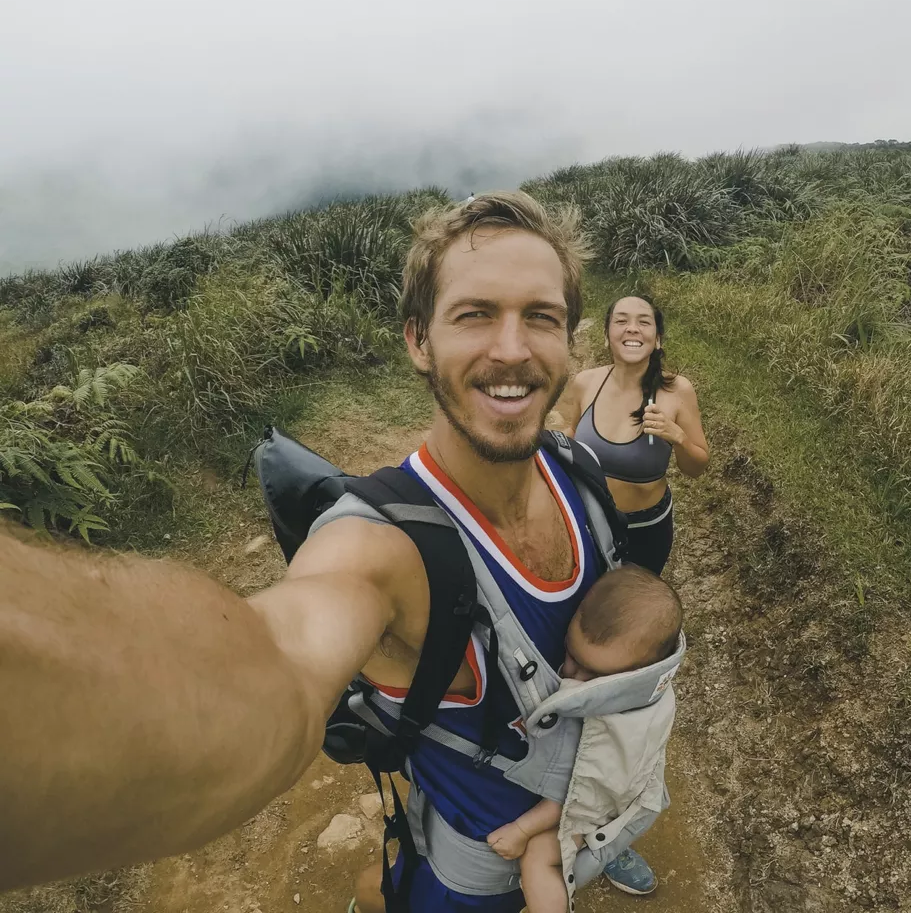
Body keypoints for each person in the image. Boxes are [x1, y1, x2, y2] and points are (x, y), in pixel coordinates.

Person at [0, 192, 660, 908]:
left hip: (581, 822)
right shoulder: (383, 550)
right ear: (417, 341)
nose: (512, 347)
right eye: (474, 314)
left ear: (569, 342)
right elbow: (278, 660)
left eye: (540, 316)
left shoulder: (578, 472)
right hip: (471, 889)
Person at [486, 565, 682, 913]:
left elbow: (573, 796)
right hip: (637, 785)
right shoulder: (653, 688)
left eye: (593, 676)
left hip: (610, 803)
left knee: (538, 858)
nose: (571, 675)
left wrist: (520, 829)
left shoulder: (606, 731)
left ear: (634, 676)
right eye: (571, 655)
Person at [559, 295, 709, 576]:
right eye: (621, 321)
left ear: (658, 339)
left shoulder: (677, 390)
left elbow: (697, 468)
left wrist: (678, 437)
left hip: (645, 530)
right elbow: (570, 433)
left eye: (644, 322)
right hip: (587, 520)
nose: (632, 328)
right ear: (607, 336)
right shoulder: (585, 383)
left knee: (631, 610)